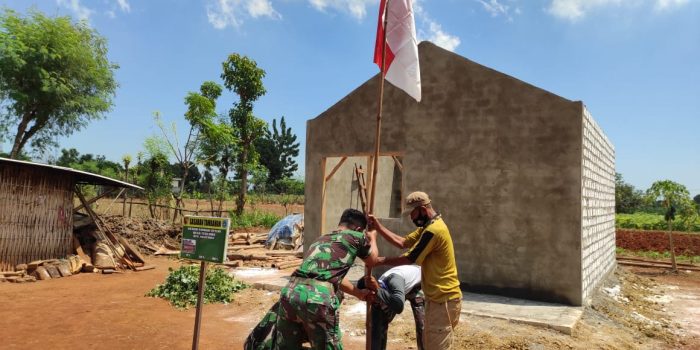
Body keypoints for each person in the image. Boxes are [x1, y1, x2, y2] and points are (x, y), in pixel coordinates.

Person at [255, 208, 378, 350]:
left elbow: (328, 276)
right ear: (358, 228)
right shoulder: (356, 236)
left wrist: (358, 293)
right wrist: (373, 237)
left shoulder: (320, 239)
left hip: (290, 292)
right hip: (317, 298)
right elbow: (373, 260)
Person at [367, 191, 462, 350]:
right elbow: (403, 242)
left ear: (423, 210)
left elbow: (409, 258)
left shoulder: (434, 230)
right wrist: (378, 226)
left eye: (412, 213)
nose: (411, 218)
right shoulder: (428, 226)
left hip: (443, 301)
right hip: (437, 299)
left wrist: (378, 261)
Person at [357, 265, 425, 350]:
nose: (371, 300)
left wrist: (377, 289)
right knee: (379, 323)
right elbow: (375, 331)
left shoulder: (393, 281)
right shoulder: (375, 297)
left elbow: (399, 306)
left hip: (418, 283)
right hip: (397, 290)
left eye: (371, 297)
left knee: (422, 324)